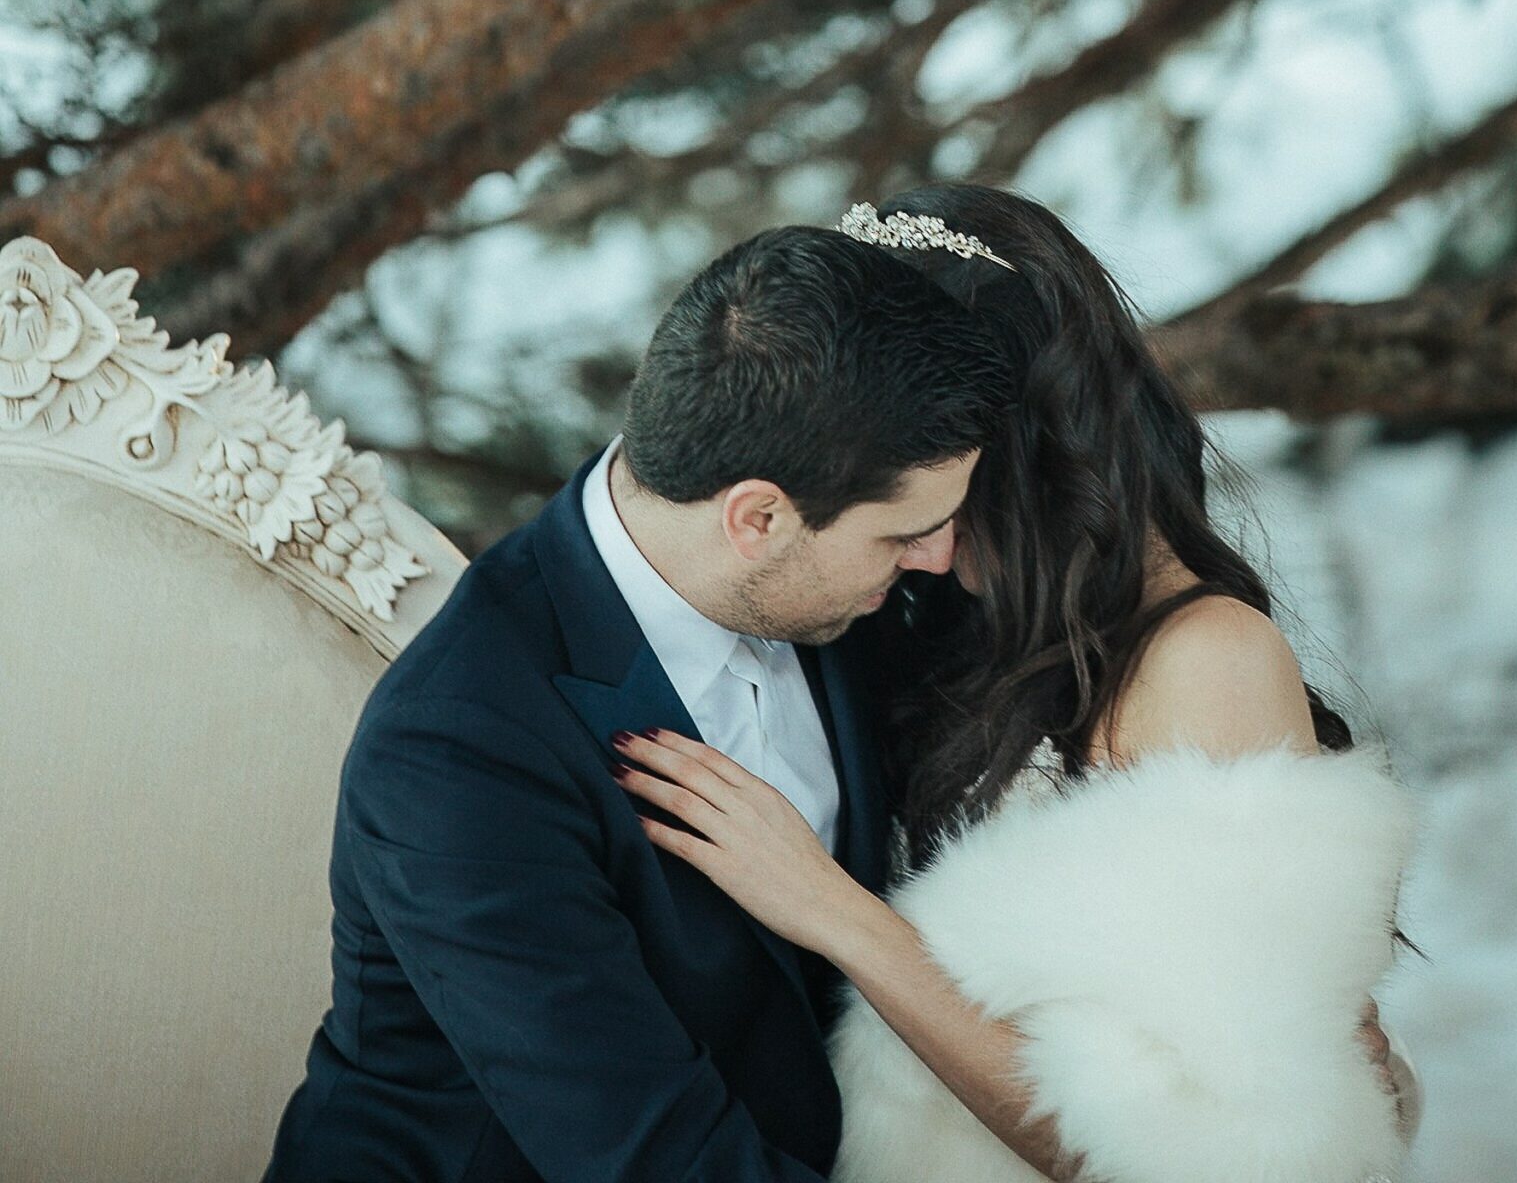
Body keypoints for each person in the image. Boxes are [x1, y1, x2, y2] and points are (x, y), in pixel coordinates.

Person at [614, 187, 1424, 1183]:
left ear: (1028, 449)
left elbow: (1209, 1153)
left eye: (940, 478)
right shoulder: (953, 627)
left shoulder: (1209, 657)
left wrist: (832, 911)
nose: (921, 542)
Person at [262, 225, 1016, 1183]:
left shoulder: (828, 582)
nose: (938, 559)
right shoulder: (458, 747)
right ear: (758, 517)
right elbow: (649, 1157)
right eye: (904, 534)